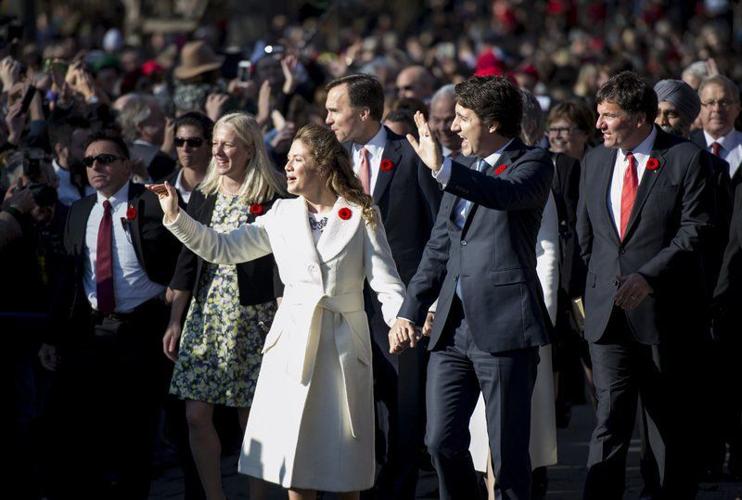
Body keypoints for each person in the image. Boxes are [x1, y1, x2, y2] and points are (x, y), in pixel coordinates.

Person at [149, 123, 406, 500]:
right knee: (295, 468)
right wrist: (176, 216)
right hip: (292, 348)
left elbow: (386, 281)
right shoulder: (281, 214)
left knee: (346, 472)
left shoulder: (362, 212)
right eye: (286, 159)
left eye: (296, 160)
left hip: (343, 348)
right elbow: (223, 249)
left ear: (322, 165)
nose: (286, 167)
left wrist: (400, 318)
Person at [391, 75, 554, 500]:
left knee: (507, 457)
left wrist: (441, 169)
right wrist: (410, 308)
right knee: (439, 442)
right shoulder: (460, 167)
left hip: (504, 329)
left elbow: (504, 195)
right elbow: (439, 247)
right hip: (451, 331)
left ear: (494, 123)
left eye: (464, 118)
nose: (455, 128)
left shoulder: (532, 163)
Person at [578, 71, 711, 500]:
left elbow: (696, 230)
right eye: (598, 115)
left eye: (608, 116)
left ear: (638, 118)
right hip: (607, 313)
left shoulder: (685, 158)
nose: (598, 125)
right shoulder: (595, 160)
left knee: (666, 426)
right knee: (609, 419)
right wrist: (593, 291)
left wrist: (649, 277)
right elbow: (587, 239)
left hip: (664, 315)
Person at [41, 131, 181, 498]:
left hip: (144, 325)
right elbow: (67, 278)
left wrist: (174, 306)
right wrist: (53, 335)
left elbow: (185, 255)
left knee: (137, 425)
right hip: (92, 328)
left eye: (105, 159)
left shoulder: (152, 203)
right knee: (90, 424)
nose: (96, 167)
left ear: (126, 164)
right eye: (88, 161)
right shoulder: (79, 210)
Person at [324, 73, 441, 499]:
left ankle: (398, 489)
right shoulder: (331, 162)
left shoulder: (408, 158)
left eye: (336, 109)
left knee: (402, 406)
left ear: (365, 112)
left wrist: (426, 302)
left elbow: (436, 233)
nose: (328, 118)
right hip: (346, 301)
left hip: (401, 304)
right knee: (354, 402)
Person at [164, 113, 285, 499]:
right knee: (196, 415)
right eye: (214, 142)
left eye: (227, 143)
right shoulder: (204, 193)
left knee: (252, 419)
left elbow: (282, 266)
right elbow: (188, 259)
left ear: (250, 149)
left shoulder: (272, 196)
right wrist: (174, 320)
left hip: (254, 317)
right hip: (205, 315)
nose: (217, 151)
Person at [468, 89, 559, 500]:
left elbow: (548, 252)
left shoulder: (535, 167)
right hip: (469, 318)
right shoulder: (471, 167)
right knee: (467, 437)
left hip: (517, 317)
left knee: (510, 438)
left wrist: (546, 317)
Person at [691, 75, 742, 187]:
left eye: (724, 102)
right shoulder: (687, 145)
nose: (717, 109)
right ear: (699, 109)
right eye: (710, 103)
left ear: (737, 108)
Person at [164, 111, 214, 205]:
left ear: (209, 144)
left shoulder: (224, 188)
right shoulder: (163, 189)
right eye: (179, 141)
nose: (185, 148)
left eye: (194, 142)